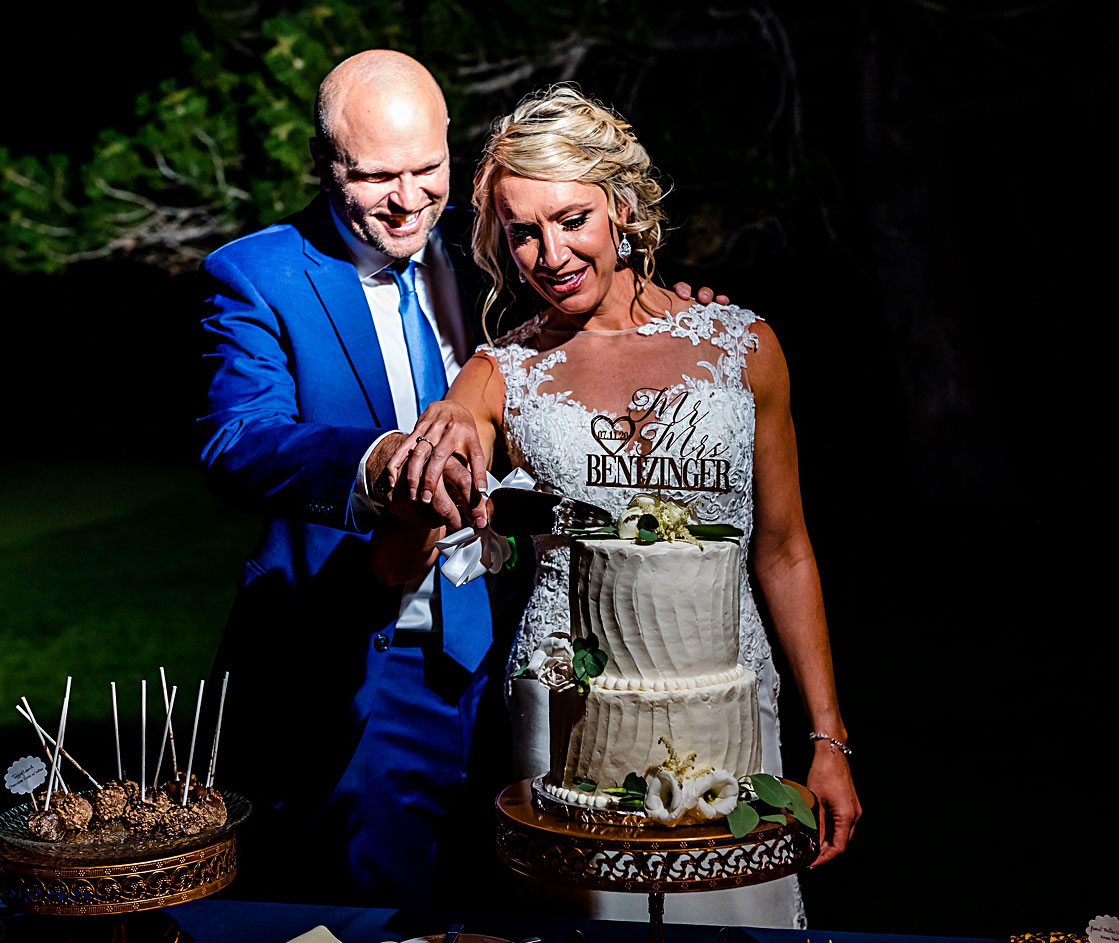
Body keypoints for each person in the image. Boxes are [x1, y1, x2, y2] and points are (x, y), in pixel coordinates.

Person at [196, 50, 716, 908]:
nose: (407, 199)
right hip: (361, 655)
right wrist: (374, 465)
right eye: (373, 176)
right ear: (325, 165)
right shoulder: (256, 275)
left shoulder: (496, 253)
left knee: (517, 907)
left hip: (518, 655)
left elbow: (594, 321)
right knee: (370, 907)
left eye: (426, 169)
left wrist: (667, 312)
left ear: (452, 151)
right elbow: (237, 440)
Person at [386, 85, 862, 927]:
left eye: (571, 219)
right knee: (586, 923)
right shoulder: (500, 371)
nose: (548, 252)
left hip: (725, 695)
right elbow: (454, 425)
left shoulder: (745, 348)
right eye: (522, 231)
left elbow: (784, 549)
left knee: (733, 920)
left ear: (624, 210)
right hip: (567, 703)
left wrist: (829, 737)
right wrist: (452, 423)